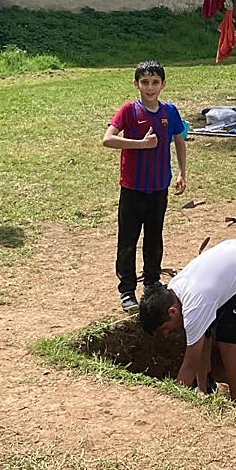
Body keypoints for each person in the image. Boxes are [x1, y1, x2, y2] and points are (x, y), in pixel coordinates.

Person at [140, 239, 236, 403]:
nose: (168, 334)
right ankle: (206, 387)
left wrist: (172, 403)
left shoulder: (194, 306)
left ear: (172, 311)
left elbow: (189, 365)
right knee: (205, 332)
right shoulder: (174, 291)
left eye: (165, 328)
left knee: (228, 338)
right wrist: (201, 390)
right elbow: (201, 338)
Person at [103, 60, 188, 311]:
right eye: (144, 82)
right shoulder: (129, 110)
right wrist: (140, 144)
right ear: (136, 84)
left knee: (154, 237)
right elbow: (107, 139)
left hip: (159, 186)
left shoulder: (170, 111)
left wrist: (183, 173)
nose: (150, 88)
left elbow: (179, 141)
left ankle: (152, 282)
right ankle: (127, 290)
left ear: (163, 84)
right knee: (128, 239)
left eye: (155, 82)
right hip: (132, 188)